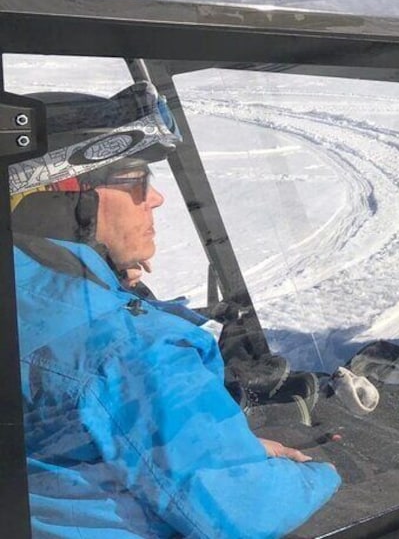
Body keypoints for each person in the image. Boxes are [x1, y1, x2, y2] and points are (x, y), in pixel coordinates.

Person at [11, 82, 340, 538]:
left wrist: (104, 283)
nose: (156, 198)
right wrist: (334, 466)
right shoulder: (128, 349)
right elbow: (247, 512)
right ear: (69, 197)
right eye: (135, 179)